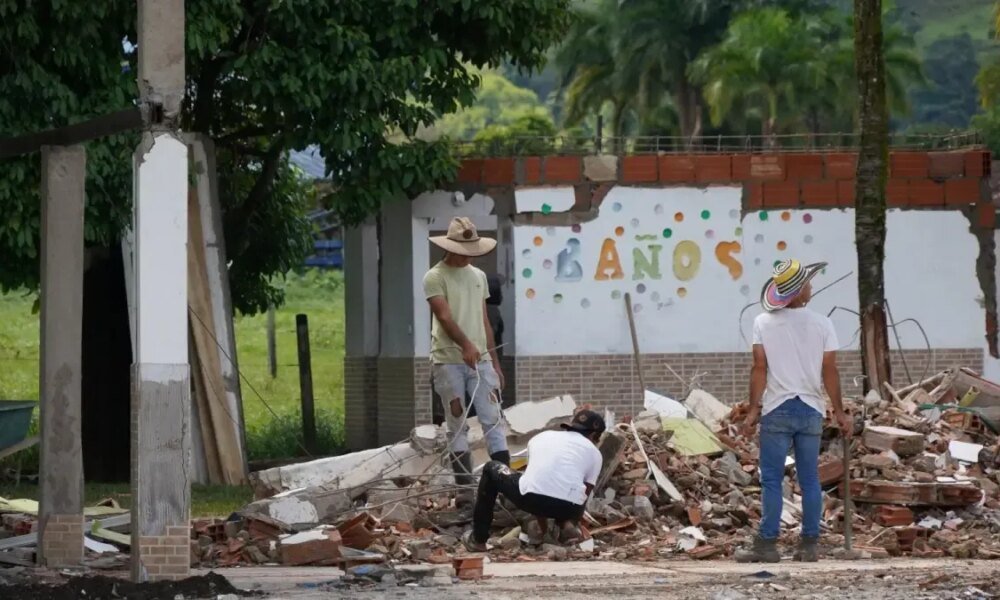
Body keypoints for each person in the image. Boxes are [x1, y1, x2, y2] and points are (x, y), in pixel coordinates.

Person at [735, 259, 853, 564]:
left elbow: (759, 369)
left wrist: (751, 412)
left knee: (772, 480)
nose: (812, 287)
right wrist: (839, 412)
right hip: (811, 409)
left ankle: (768, 544)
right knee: (810, 479)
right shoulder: (823, 324)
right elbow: (830, 371)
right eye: (808, 283)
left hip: (777, 409)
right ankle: (809, 545)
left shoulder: (762, 322)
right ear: (800, 291)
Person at [424, 217, 510, 496]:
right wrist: (465, 345)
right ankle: (464, 491)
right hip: (448, 360)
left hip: (482, 360)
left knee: (492, 418)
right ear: (450, 247)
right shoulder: (434, 277)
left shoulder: (479, 276)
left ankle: (504, 485)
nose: (466, 257)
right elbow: (444, 316)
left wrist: (494, 363)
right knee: (457, 423)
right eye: (462, 251)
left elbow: (484, 320)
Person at [462, 409, 605, 552]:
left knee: (491, 467)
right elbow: (584, 495)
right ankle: (566, 529)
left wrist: (542, 528)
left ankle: (478, 539)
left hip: (530, 499)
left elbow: (537, 480)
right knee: (570, 490)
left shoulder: (542, 437)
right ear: (593, 435)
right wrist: (571, 518)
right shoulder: (595, 454)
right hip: (569, 508)